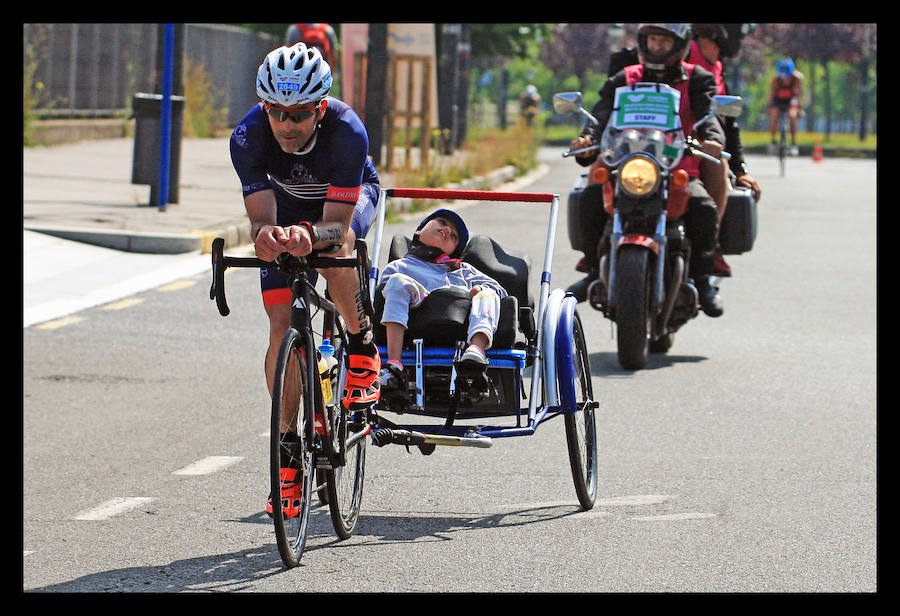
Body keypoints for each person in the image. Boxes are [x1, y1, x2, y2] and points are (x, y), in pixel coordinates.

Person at [230, 44, 381, 515]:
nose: (286, 125)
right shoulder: (248, 137)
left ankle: (360, 348)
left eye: (298, 114)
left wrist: (311, 235)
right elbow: (259, 221)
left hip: (342, 210)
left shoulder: (347, 132)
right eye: (276, 112)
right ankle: (288, 448)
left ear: (319, 108)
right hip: (289, 211)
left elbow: (336, 223)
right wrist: (268, 238)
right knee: (281, 330)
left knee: (337, 250)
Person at [566, 23, 726, 317]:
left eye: (664, 41)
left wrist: (713, 139)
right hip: (628, 164)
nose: (657, 46)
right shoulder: (626, 77)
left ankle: (702, 279)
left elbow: (709, 115)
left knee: (703, 207)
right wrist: (588, 137)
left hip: (677, 165)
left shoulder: (697, 78)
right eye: (652, 40)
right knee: (588, 199)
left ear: (679, 44)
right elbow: (601, 113)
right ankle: (592, 268)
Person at [376, 209, 508, 397]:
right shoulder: (401, 266)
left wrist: (477, 291)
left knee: (488, 293)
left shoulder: (462, 270)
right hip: (417, 312)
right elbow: (382, 296)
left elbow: (500, 291)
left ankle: (476, 350)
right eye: (441, 222)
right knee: (395, 282)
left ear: (454, 251)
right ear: (419, 231)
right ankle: (394, 366)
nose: (446, 230)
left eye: (453, 236)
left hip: (461, 322)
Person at [688, 23, 762, 278]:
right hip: (655, 144)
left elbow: (726, 121)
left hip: (698, 149)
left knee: (718, 162)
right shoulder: (680, 57)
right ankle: (597, 248)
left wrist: (740, 169)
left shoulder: (716, 66)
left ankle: (711, 248)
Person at [768, 58, 802, 155]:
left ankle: (793, 143)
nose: (785, 79)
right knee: (774, 116)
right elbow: (771, 94)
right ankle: (773, 141)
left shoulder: (796, 79)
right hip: (778, 101)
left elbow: (799, 94)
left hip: (790, 101)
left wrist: (799, 107)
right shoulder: (776, 79)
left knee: (792, 116)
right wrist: (768, 107)